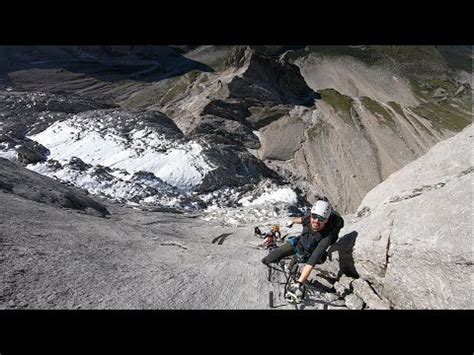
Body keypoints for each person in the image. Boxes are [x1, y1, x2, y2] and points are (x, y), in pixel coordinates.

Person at [261, 199, 344, 302]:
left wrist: (299, 283)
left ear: (326, 220)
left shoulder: (326, 238)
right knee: (271, 257)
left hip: (308, 253)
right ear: (311, 215)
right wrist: (292, 221)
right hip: (298, 244)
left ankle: (293, 268)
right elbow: (300, 220)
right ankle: (287, 266)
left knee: (297, 263)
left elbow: (312, 261)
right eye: (314, 216)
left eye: (321, 218)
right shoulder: (308, 218)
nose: (316, 221)